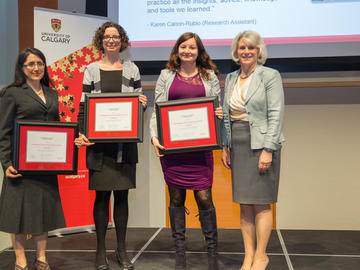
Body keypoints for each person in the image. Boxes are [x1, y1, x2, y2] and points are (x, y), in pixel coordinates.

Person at [75, 22, 147, 270]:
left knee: (123, 197)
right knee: (101, 197)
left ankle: (122, 250)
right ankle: (100, 251)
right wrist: (82, 132)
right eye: (107, 36)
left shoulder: (133, 69)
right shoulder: (91, 70)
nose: (111, 40)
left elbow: (138, 106)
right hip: (98, 147)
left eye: (115, 36)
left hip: (124, 146)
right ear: (101, 40)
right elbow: (84, 106)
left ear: (122, 40)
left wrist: (142, 104)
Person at [150, 32, 222, 270]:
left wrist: (218, 115)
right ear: (177, 50)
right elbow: (157, 109)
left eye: (192, 47)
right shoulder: (166, 75)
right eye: (183, 47)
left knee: (204, 197)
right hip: (173, 149)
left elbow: (215, 108)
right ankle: (179, 248)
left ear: (199, 51)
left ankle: (212, 249)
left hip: (200, 148)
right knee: (177, 196)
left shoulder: (209, 76)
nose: (187, 51)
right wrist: (154, 136)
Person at [221, 31, 285, 270]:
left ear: (259, 51)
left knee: (261, 203)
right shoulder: (230, 78)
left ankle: (261, 255)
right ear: (236, 52)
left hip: (261, 144)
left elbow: (276, 114)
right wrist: (225, 146)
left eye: (251, 48)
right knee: (244, 203)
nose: (246, 52)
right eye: (242, 48)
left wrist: (268, 149)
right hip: (236, 143)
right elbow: (227, 114)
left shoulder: (270, 76)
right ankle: (248, 256)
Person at [0, 48, 66, 270]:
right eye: (30, 64)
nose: (36, 68)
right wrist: (6, 164)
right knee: (17, 214)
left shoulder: (52, 93)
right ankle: (20, 259)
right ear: (22, 68)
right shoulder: (12, 93)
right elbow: (4, 132)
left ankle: (41, 258)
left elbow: (58, 128)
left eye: (39, 63)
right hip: (20, 166)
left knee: (43, 211)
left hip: (46, 164)